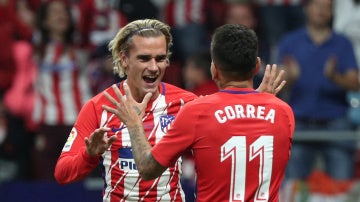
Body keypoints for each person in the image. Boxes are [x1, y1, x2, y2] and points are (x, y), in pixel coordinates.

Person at [54, 19, 286, 201]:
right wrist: (90, 155)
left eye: (161, 58)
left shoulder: (186, 103)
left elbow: (232, 131)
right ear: (124, 60)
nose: (154, 67)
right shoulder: (100, 107)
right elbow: (62, 173)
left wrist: (257, 101)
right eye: (144, 58)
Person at [276, 0, 360, 180]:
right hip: (300, 120)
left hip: (336, 121)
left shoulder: (342, 43)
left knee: (341, 185)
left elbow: (355, 83)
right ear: (307, 8)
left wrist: (334, 77)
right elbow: (275, 83)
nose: (322, 11)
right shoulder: (290, 42)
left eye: (327, 7)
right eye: (317, 5)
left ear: (332, 12)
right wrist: (290, 77)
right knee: (293, 185)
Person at [31, 0, 92, 181]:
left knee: (77, 179)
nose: (61, 16)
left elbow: (88, 16)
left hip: (76, 122)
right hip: (46, 122)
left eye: (64, 12)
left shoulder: (80, 48)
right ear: (44, 21)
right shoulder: (35, 50)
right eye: (55, 12)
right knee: (47, 181)